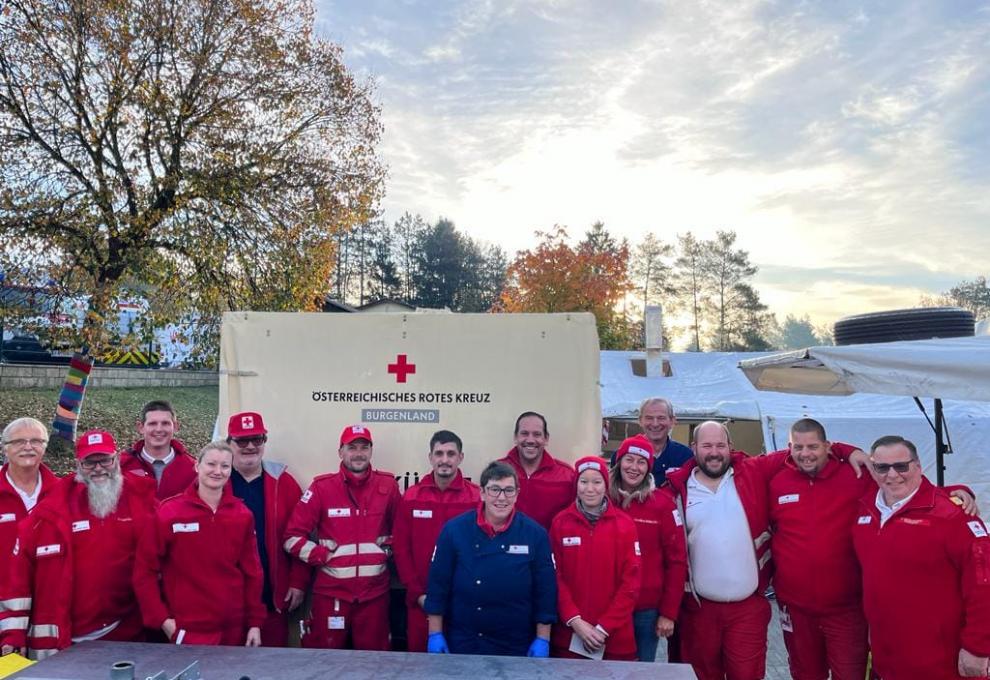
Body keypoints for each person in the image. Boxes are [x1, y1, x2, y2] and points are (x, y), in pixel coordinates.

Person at [0, 430, 155, 660]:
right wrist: (12, 637)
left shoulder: (141, 500)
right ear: (78, 465)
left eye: (105, 460)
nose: (99, 468)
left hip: (125, 635)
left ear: (116, 459)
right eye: (90, 462)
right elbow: (18, 579)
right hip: (63, 644)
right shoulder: (51, 512)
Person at [852, 435, 990, 679]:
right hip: (888, 656)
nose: (892, 475)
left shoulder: (952, 515)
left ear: (917, 466)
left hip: (938, 660)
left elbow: (983, 585)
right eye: (882, 467)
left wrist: (978, 648)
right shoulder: (866, 510)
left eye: (901, 466)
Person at [663, 421, 788, 680]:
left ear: (731, 447)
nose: (714, 452)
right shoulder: (676, 489)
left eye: (720, 445)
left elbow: (801, 451)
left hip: (748, 608)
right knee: (702, 676)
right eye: (707, 445)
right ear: (693, 448)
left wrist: (846, 451)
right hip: (700, 611)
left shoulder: (752, 472)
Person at [133, 442, 265, 646]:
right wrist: (163, 621)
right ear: (197, 466)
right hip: (188, 629)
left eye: (224, 466)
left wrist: (254, 623)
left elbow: (252, 573)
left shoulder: (242, 515)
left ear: (231, 470)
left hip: (232, 629)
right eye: (211, 464)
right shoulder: (170, 512)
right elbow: (144, 571)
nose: (217, 471)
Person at [283, 425, 400, 651]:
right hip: (331, 594)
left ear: (371, 451)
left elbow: (402, 533)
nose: (358, 453)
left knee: (374, 664)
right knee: (325, 662)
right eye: (352, 447)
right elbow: (291, 537)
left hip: (374, 595)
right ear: (341, 452)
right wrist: (322, 555)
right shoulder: (322, 488)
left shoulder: (388, 486)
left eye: (364, 447)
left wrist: (385, 551)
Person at [424, 460, 556, 657]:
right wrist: (435, 634)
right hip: (464, 640)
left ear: (517, 494)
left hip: (515, 643)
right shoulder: (454, 530)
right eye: (495, 489)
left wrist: (542, 639)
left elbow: (545, 592)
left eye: (509, 490)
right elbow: (437, 585)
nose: (501, 498)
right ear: (482, 493)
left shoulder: (535, 535)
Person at [225, 411, 309, 647]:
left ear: (264, 442)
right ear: (229, 443)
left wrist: (298, 582)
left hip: (271, 599)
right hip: (226, 602)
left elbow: (300, 536)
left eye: (257, 439)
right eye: (242, 440)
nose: (250, 446)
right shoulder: (216, 480)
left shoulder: (284, 483)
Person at [393, 430, 480, 652]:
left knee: (463, 668)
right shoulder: (412, 497)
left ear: (461, 457)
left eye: (451, 453)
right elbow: (401, 549)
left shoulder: (476, 498)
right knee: (420, 666)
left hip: (464, 604)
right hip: (422, 601)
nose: (444, 460)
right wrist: (417, 594)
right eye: (439, 453)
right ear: (430, 457)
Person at [550, 456, 641, 661]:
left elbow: (631, 583)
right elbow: (555, 578)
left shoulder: (625, 525)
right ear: (576, 485)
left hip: (615, 640)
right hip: (570, 638)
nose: (590, 489)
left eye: (597, 482)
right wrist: (575, 621)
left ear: (605, 485)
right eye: (584, 481)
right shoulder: (560, 523)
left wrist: (604, 627)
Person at [609, 435, 687, 662]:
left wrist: (668, 613)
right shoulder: (603, 500)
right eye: (629, 460)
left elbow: (677, 561)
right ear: (619, 462)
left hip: (645, 609)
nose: (634, 467)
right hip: (607, 604)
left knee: (641, 670)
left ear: (649, 467)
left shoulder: (662, 505)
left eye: (641, 462)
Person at [0, 418, 59, 596]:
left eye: (36, 441)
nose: (28, 447)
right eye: (18, 441)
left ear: (45, 447)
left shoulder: (60, 493)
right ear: (5, 448)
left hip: (48, 600)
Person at [498, 411, 575, 530]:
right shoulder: (496, 471)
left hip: (548, 547)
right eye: (524, 433)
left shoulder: (567, 476)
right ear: (515, 437)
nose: (530, 440)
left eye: (537, 434)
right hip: (505, 547)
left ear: (546, 438)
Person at [120, 400, 196, 500]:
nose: (159, 429)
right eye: (152, 423)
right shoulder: (122, 465)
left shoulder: (192, 468)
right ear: (141, 427)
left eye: (165, 423)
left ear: (176, 427)